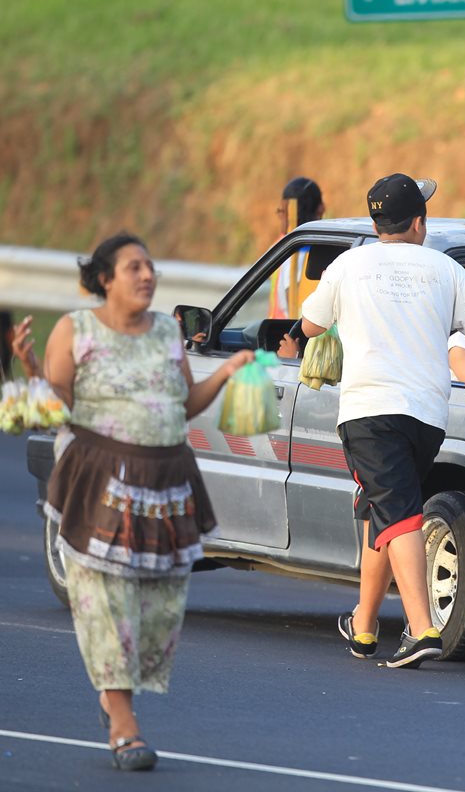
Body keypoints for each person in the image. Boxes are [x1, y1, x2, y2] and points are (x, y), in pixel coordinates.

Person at [34, 232, 253, 771]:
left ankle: (114, 698)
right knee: (106, 601)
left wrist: (224, 373)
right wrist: (30, 367)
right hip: (98, 482)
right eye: (134, 268)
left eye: (151, 267)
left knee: (158, 604)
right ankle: (125, 725)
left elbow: (183, 406)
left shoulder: (164, 332)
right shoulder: (74, 329)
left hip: (166, 486)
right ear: (105, 279)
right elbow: (53, 403)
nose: (147, 276)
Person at [298, 173, 465, 669]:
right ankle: (364, 626)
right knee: (383, 509)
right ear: (419, 222)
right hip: (427, 416)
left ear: (374, 222)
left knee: (399, 511)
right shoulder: (444, 268)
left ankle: (422, 627)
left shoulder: (349, 264)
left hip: (370, 411)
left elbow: (309, 326)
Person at [274, 176, 326, 357]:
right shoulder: (329, 250)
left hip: (298, 348)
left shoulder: (293, 253)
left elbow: (292, 306)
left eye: (280, 211)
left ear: (287, 213)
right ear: (321, 208)